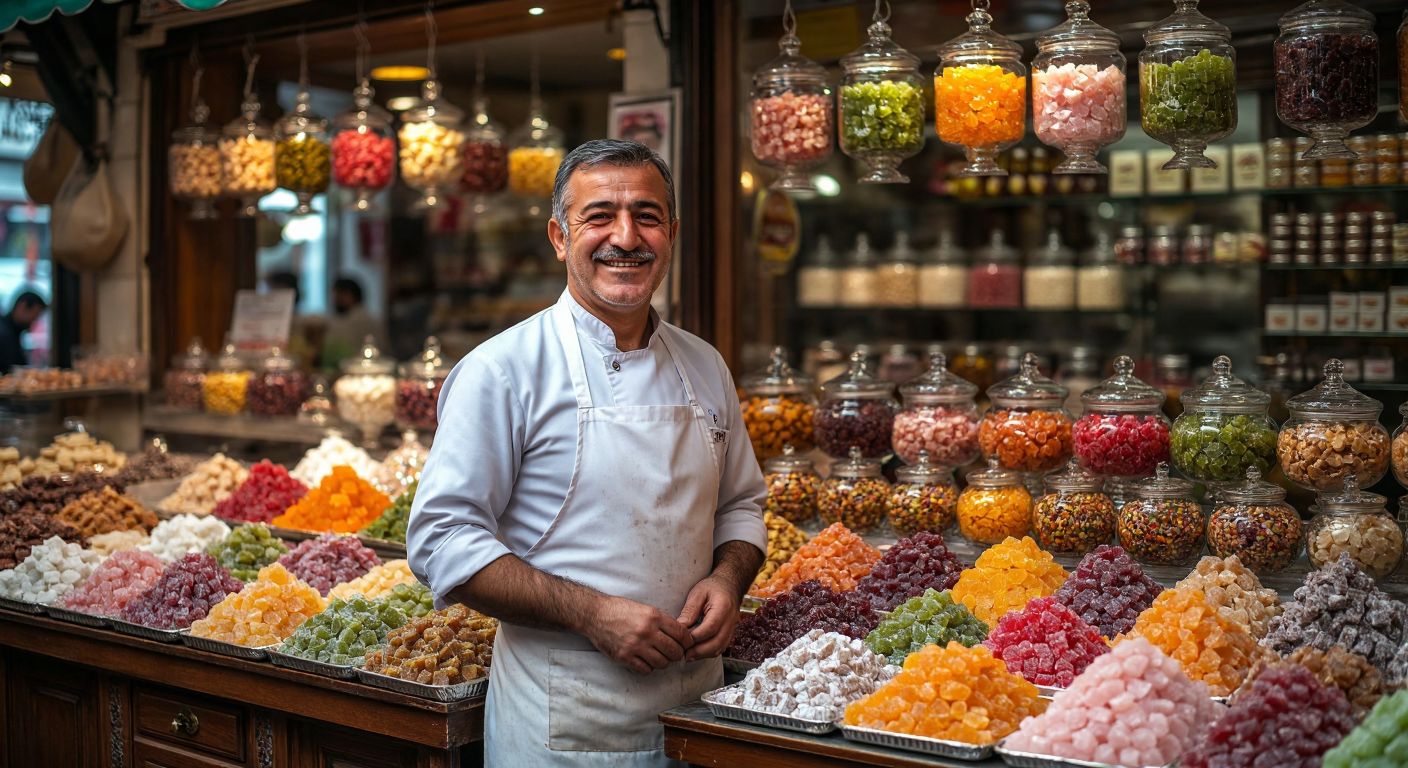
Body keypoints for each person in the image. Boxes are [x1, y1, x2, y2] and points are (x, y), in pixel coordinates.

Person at [407, 140, 765, 767]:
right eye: (598, 215)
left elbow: (740, 505)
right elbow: (442, 539)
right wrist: (592, 614)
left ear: (672, 233)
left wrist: (728, 579)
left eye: (647, 216)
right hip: (561, 720)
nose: (625, 237)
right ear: (558, 235)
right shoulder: (502, 370)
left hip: (697, 713)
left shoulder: (704, 364)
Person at [320, 276, 385, 369]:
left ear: (353, 295)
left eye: (341, 294)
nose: (336, 299)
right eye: (335, 295)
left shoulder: (364, 320)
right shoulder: (340, 318)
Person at [0, 291, 47, 374]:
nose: (34, 321)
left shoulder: (13, 331)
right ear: (23, 306)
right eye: (34, 316)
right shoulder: (4, 334)